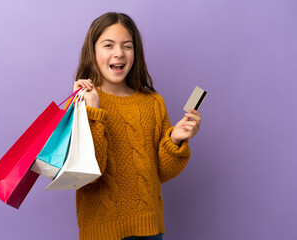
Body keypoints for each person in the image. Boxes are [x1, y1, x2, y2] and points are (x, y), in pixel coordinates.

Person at [72, 12, 201, 240]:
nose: (119, 53)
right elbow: (87, 174)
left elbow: (160, 172)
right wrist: (92, 110)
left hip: (150, 229)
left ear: (135, 53)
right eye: (108, 45)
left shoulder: (152, 102)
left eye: (127, 46)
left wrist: (175, 140)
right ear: (92, 52)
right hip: (101, 233)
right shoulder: (79, 103)